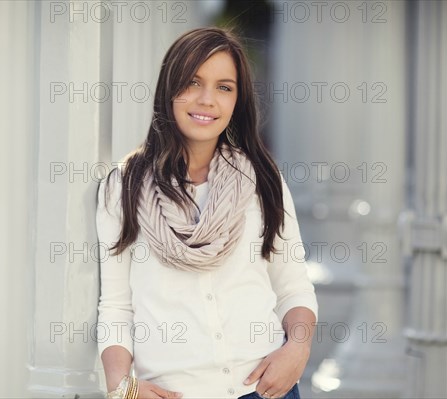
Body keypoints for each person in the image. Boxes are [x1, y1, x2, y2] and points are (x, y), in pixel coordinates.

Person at [95, 27, 318, 399]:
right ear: (169, 90)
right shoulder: (123, 186)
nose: (207, 100)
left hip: (264, 389)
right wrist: (122, 389)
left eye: (224, 87)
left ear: (238, 100)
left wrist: (298, 349)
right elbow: (117, 308)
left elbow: (293, 287)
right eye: (193, 82)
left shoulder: (262, 178)